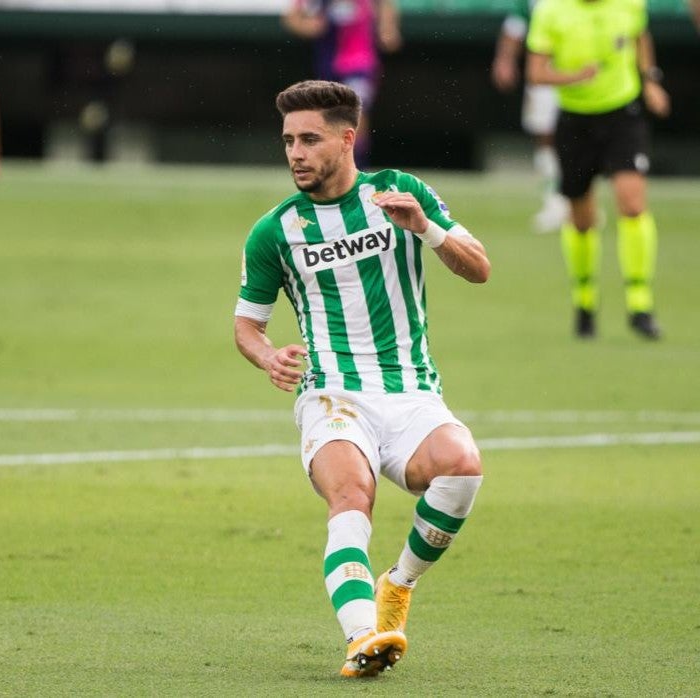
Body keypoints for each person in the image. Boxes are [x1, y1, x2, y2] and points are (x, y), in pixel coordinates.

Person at [234, 80, 489, 678]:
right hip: (331, 393)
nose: (296, 153)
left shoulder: (399, 192)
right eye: (288, 141)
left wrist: (425, 226)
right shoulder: (274, 231)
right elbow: (247, 325)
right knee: (352, 494)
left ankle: (397, 585)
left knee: (463, 467)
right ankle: (363, 637)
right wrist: (267, 356)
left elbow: (478, 268)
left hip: (410, 389)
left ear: (348, 139)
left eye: (310, 140)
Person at [526, 0, 668, 340]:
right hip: (575, 121)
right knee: (582, 219)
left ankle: (640, 304)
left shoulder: (631, 5)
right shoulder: (550, 11)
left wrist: (649, 79)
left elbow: (640, 37)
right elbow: (536, 72)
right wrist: (574, 77)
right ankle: (585, 301)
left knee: (633, 205)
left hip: (623, 115)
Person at [281, 0, 401, 167]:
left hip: (359, 62)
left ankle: (357, 166)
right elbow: (292, 18)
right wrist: (309, 26)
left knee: (357, 111)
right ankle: (329, 164)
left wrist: (388, 28)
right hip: (327, 64)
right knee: (327, 114)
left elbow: (386, 6)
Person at [490, 0, 568, 233]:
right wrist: (505, 60)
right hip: (545, 71)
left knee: (586, 134)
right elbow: (515, 26)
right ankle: (554, 202)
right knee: (545, 135)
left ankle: (582, 200)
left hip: (584, 71)